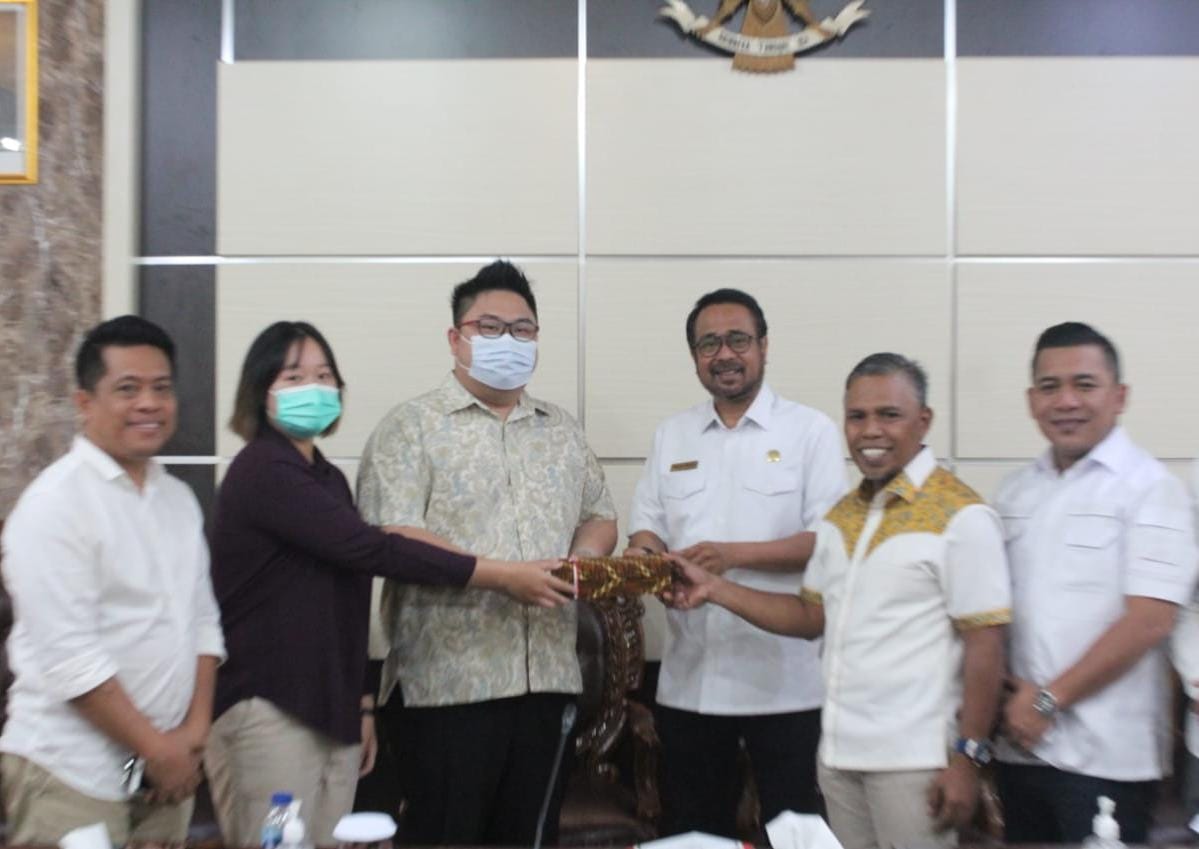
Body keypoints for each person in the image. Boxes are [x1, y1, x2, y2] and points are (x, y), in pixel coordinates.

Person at [204, 320, 573, 848]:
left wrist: (361, 703)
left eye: (324, 376)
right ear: (259, 391)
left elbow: (350, 598)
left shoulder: (327, 478)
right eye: (293, 377)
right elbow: (372, 550)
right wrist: (498, 575)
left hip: (329, 708)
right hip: (270, 709)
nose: (313, 388)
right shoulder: (262, 470)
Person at [668, 353, 1010, 849]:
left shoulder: (962, 516)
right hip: (838, 757)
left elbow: (987, 645)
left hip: (916, 762)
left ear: (923, 420)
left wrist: (968, 758)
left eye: (889, 415)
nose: (871, 430)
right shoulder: (841, 518)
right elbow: (810, 616)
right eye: (857, 416)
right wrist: (715, 588)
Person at [357, 260, 618, 846]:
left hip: (549, 678)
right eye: (490, 328)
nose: (508, 341)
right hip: (448, 687)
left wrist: (582, 559)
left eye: (522, 330)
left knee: (530, 837)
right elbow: (393, 539)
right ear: (456, 339)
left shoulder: (561, 429)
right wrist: (502, 576)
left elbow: (600, 515)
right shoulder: (410, 427)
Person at [625, 288, 846, 836]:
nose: (724, 354)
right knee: (694, 835)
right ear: (695, 356)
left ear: (764, 346)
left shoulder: (810, 431)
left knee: (795, 836)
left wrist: (730, 557)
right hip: (690, 683)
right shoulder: (672, 434)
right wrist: (644, 563)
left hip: (788, 687)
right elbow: (648, 527)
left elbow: (826, 541)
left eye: (738, 340)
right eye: (709, 344)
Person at [0, 315, 226, 845]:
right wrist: (157, 749)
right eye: (128, 389)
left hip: (165, 773)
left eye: (161, 388)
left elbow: (203, 623)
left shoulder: (177, 499)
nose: (149, 403)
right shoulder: (54, 505)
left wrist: (192, 738)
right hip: (69, 771)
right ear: (85, 403)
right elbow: (71, 659)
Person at [994, 321, 1199, 844]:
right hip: (1018, 749)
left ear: (1119, 396)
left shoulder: (1151, 489)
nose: (1066, 401)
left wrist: (1047, 701)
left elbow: (1151, 620)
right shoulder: (1014, 492)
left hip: (1107, 759)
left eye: (1084, 385)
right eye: (1049, 386)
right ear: (1031, 400)